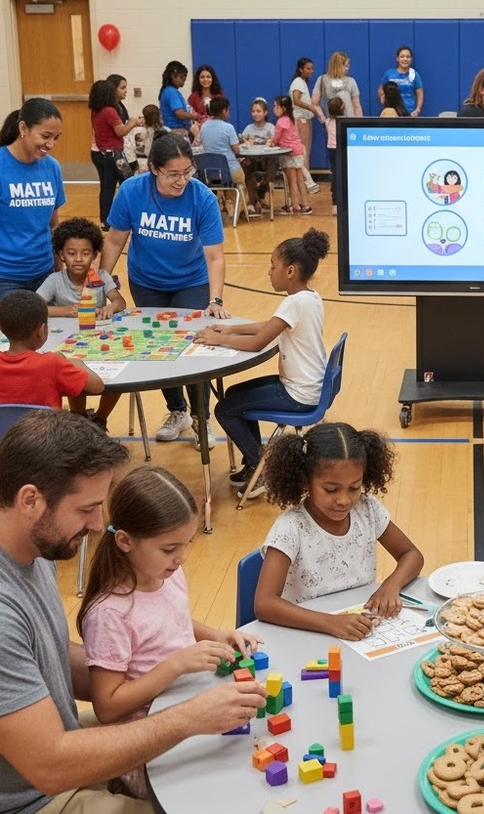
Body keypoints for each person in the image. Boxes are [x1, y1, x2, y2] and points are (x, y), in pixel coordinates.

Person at [0, 409, 265, 814]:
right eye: (86, 509)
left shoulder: (29, 544)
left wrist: (142, 665)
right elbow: (50, 765)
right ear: (30, 499)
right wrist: (186, 717)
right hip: (29, 798)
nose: (97, 523)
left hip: (55, 750)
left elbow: (44, 654)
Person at [79, 466, 262, 798]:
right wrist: (176, 664)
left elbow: (171, 620)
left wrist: (214, 634)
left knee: (253, 752)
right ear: (124, 541)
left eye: (187, 543)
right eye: (169, 548)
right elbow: (106, 707)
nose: (181, 557)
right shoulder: (110, 613)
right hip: (144, 744)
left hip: (186, 709)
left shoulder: (166, 573)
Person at [100, 131, 231, 446]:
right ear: (154, 169)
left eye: (187, 172)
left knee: (193, 350)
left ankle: (202, 418)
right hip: (147, 281)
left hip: (191, 281)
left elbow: (215, 256)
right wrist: (99, 282)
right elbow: (115, 240)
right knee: (156, 347)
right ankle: (178, 411)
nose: (181, 180)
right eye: (173, 174)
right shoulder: (132, 191)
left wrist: (215, 299)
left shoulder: (202, 198)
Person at [252, 422, 425, 640]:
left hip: (357, 629)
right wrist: (331, 623)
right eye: (331, 490)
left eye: (354, 487)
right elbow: (264, 603)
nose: (344, 500)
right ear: (306, 481)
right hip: (308, 633)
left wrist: (391, 585)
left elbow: (412, 554)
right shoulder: (290, 528)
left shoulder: (367, 509)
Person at [198, 229, 330, 492]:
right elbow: (269, 326)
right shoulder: (309, 298)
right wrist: (230, 330)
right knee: (234, 394)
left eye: (273, 266)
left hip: (298, 393)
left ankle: (263, 468)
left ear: (290, 271)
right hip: (308, 385)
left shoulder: (294, 304)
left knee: (224, 409)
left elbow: (259, 341)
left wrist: (218, 340)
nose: (269, 272)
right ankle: (254, 461)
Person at [0, 98, 66, 324]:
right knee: (12, 350)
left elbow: (53, 225)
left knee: (45, 347)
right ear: (23, 129)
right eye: (45, 136)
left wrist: (59, 274)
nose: (51, 144)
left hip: (43, 274)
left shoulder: (52, 168)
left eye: (56, 138)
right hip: (2, 278)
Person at [37, 217, 126, 429]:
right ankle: (79, 420)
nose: (78, 259)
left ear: (95, 255)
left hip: (99, 343)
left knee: (118, 375)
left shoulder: (101, 276)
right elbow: (37, 307)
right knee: (73, 375)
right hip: (67, 346)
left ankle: (101, 419)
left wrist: (109, 307)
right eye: (71, 253)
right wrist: (65, 311)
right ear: (61, 255)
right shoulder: (55, 280)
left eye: (85, 253)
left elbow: (120, 302)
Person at [0, 289, 104, 408]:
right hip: (46, 432)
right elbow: (97, 386)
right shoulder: (52, 363)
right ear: (42, 331)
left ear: (1, 328)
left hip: (5, 432)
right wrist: (78, 364)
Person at [90, 78, 141, 229]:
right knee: (130, 184)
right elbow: (120, 131)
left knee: (107, 188)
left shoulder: (95, 111)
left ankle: (105, 221)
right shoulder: (109, 111)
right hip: (115, 155)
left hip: (104, 154)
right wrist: (132, 122)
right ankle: (133, 216)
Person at [289, 57, 324, 195]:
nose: (311, 71)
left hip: (305, 120)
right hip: (300, 120)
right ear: (300, 69)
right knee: (302, 153)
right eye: (308, 68)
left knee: (305, 153)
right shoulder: (297, 82)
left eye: (312, 68)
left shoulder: (302, 82)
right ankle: (307, 182)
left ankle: (306, 182)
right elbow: (296, 100)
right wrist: (311, 107)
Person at [271, 94, 311, 216]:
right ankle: (305, 205)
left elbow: (277, 138)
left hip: (289, 153)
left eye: (275, 106)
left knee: (291, 181)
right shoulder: (291, 119)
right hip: (298, 152)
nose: (274, 109)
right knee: (300, 180)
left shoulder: (281, 121)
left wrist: (272, 142)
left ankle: (294, 206)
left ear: (283, 108)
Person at [198, 96, 247, 193]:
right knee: (242, 177)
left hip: (209, 171)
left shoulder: (204, 126)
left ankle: (224, 202)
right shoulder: (228, 127)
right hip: (230, 170)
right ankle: (240, 205)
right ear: (224, 111)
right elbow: (236, 150)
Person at [239, 96, 276, 211]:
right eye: (253, 111)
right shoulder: (249, 128)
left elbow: (277, 142)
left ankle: (258, 195)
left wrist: (273, 142)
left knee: (273, 164)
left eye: (259, 111)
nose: (256, 114)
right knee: (245, 165)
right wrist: (244, 142)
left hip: (266, 159)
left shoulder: (271, 128)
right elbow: (241, 142)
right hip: (253, 159)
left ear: (265, 113)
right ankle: (255, 202)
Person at [312, 51, 362, 118]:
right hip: (331, 120)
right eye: (345, 65)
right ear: (337, 65)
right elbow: (314, 103)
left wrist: (358, 123)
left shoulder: (351, 81)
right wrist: (323, 120)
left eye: (348, 65)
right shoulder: (322, 80)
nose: (348, 68)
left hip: (348, 121)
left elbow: (357, 106)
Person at [107, 74, 141, 174]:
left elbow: (126, 121)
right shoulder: (110, 109)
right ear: (113, 89)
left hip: (119, 149)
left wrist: (137, 122)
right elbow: (121, 131)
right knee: (126, 177)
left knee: (125, 177)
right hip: (113, 151)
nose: (126, 90)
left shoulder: (119, 105)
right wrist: (133, 123)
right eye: (122, 88)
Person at [377, 45, 423, 116]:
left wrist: (417, 110)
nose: (405, 59)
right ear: (397, 59)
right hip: (391, 113)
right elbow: (380, 91)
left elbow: (420, 94)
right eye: (402, 56)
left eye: (408, 57)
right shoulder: (389, 74)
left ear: (411, 59)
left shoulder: (414, 74)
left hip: (409, 112)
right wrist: (385, 105)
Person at [158, 60, 200, 134]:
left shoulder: (168, 90)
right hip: (176, 130)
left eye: (184, 78)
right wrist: (194, 116)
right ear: (173, 76)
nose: (183, 81)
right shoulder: (171, 92)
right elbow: (179, 114)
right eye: (181, 77)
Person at [325, 95, 345, 215]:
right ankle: (340, 202)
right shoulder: (344, 122)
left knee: (335, 175)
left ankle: (335, 203)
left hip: (331, 150)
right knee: (342, 175)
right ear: (342, 107)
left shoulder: (327, 121)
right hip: (340, 149)